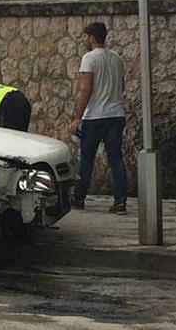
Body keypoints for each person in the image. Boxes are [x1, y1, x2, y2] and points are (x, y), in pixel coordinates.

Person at [68, 22, 127, 215]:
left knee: (86, 159)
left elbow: (86, 88)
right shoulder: (116, 58)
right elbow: (122, 86)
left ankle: (78, 198)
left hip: (95, 116)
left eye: (85, 37)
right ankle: (120, 201)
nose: (84, 41)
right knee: (116, 159)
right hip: (116, 114)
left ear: (91, 38)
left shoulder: (89, 58)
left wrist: (77, 117)